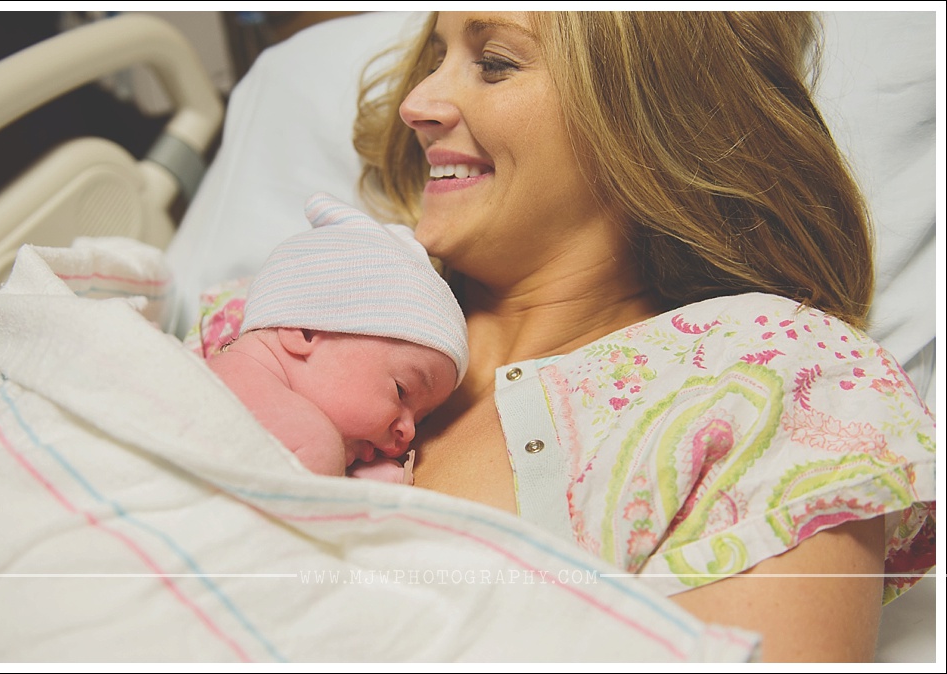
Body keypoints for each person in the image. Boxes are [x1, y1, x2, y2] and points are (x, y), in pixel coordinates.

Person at [351, 11, 935, 661]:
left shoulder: (775, 381)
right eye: (436, 60)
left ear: (644, 108)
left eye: (495, 64)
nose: (416, 104)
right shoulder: (312, 316)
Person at [201, 192, 468, 483]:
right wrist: (339, 469)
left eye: (420, 419)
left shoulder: (282, 421)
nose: (410, 432)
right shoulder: (231, 381)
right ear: (305, 332)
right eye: (401, 391)